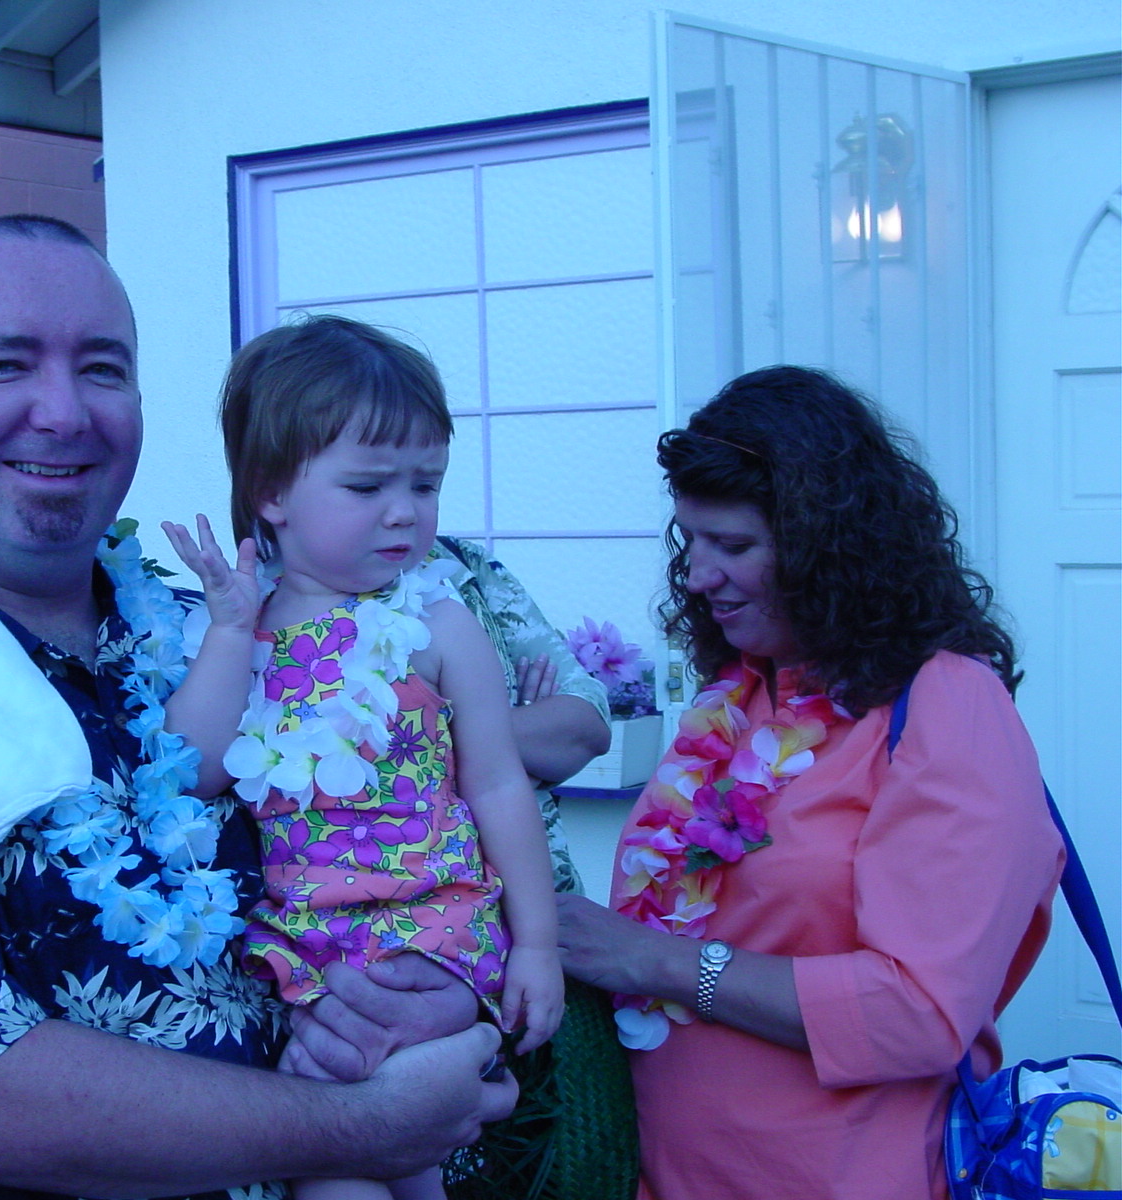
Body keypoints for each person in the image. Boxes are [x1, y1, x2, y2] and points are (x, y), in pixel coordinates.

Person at [0, 215, 513, 1200]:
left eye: (101, 369)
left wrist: (433, 1000)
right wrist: (365, 1128)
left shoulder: (217, 634)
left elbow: (413, 845)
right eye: (4, 365)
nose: (63, 412)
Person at [555, 365, 1064, 1200]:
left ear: (828, 548)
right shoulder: (739, 696)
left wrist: (659, 962)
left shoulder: (947, 705)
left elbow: (922, 1012)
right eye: (692, 542)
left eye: (734, 546)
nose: (698, 576)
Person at [161, 315, 565, 1200]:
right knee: (338, 1154)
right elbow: (198, 769)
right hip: (304, 945)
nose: (405, 510)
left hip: (434, 930)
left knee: (398, 1142)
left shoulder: (438, 625)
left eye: (426, 483)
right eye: (368, 484)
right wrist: (228, 633)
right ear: (270, 491)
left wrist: (537, 944)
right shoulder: (241, 630)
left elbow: (498, 783)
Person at [431, 535, 611, 894]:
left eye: (427, 498)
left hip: (540, 900)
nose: (404, 513)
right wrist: (513, 745)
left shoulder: (464, 563)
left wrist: (442, 753)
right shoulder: (308, 612)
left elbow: (587, 727)